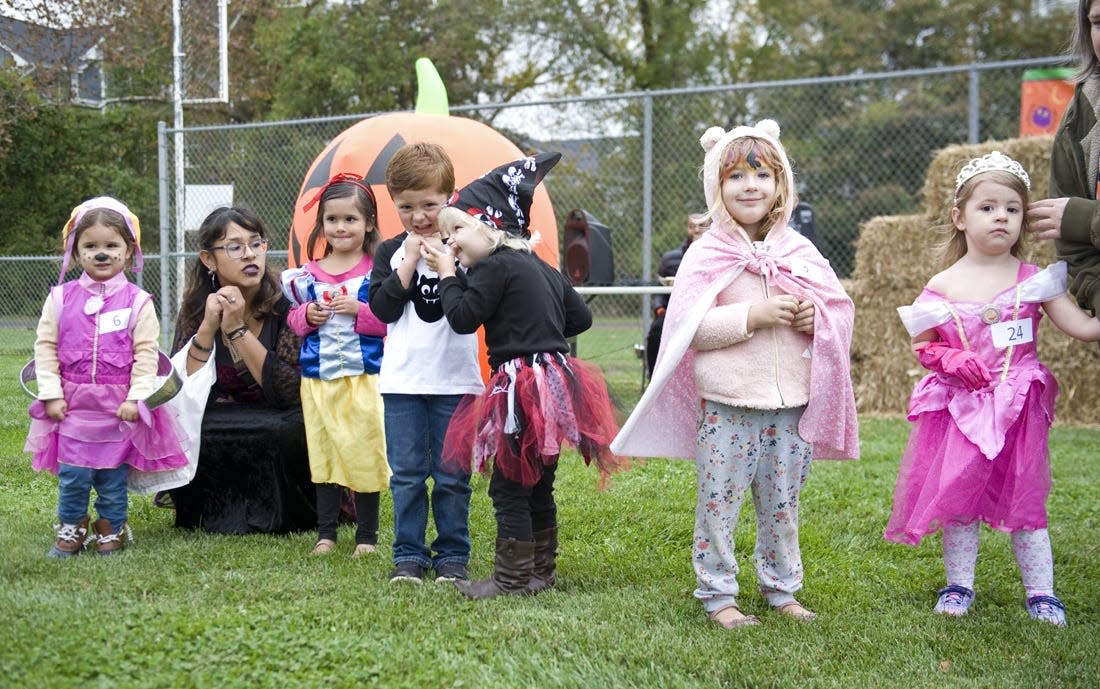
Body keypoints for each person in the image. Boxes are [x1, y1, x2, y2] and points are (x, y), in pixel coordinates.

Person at [611, 120, 860, 629]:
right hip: (727, 407)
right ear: (716, 189)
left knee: (784, 505)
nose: (751, 185)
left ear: (781, 185)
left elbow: (840, 308)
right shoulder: (706, 253)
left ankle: (782, 588)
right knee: (719, 505)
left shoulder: (800, 251)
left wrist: (819, 320)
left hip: (791, 406)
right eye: (736, 177)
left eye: (763, 174)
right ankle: (718, 593)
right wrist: (753, 317)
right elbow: (689, 329)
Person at [886, 151, 1100, 627]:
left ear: (1024, 219)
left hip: (1018, 405)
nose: (1001, 216)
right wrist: (947, 357)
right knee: (960, 496)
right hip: (962, 407)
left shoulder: (1035, 280)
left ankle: (1042, 593)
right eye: (987, 207)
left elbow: (1082, 328)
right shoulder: (942, 284)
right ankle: (959, 585)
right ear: (959, 218)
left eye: (1012, 208)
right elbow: (923, 343)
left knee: (1026, 497)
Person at [420, 152, 626, 599]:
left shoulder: (491, 267)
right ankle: (540, 572)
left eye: (457, 229)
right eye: (444, 235)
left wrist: (447, 274)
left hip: (519, 386)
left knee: (509, 486)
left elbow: (460, 318)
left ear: (491, 226)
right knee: (538, 481)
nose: (449, 241)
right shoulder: (542, 267)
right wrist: (543, 331)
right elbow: (581, 320)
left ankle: (512, 580)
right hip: (553, 383)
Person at [25, 197, 189, 557]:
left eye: (111, 245)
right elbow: (45, 348)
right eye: (91, 246)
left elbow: (146, 355)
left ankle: (110, 528)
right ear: (76, 250)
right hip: (72, 406)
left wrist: (136, 398)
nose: (101, 254)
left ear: (129, 252)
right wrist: (50, 393)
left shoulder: (138, 301)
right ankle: (71, 528)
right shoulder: (59, 298)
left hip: (117, 408)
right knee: (74, 476)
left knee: (111, 476)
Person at [368, 142, 484, 584]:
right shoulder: (390, 252)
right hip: (402, 383)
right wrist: (409, 263)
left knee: (453, 475)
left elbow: (470, 314)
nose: (419, 216)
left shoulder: (467, 247)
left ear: (449, 198)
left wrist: (449, 265)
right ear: (394, 204)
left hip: (455, 381)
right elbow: (382, 310)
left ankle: (453, 555)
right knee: (408, 476)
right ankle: (409, 555)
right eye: (406, 207)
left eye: (430, 205)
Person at [165, 207, 316, 535]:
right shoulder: (195, 307)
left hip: (280, 414)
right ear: (209, 259)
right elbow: (179, 388)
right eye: (235, 247)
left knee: (289, 429)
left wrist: (236, 330)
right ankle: (206, 513)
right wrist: (207, 327)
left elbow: (292, 392)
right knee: (183, 426)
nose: (250, 255)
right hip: (222, 415)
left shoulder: (287, 304)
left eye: (256, 244)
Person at [281, 174, 390, 557]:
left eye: (350, 219)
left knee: (364, 452)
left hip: (363, 379)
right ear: (321, 224)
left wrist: (361, 311)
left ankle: (367, 537)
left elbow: (388, 324)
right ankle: (326, 534)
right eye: (332, 219)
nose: (340, 227)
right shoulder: (306, 275)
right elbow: (292, 322)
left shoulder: (378, 272)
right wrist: (308, 315)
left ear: (369, 223)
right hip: (318, 381)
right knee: (324, 454)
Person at [1026, 0, 1100, 319]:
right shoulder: (1080, 116)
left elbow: (1075, 220)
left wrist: (1087, 220)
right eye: (1098, 23)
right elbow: (1076, 252)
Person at [646, 212, 709, 374]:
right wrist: (660, 309)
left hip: (708, 312)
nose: (696, 230)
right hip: (673, 312)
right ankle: (654, 379)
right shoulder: (671, 259)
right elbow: (658, 288)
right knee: (656, 330)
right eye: (692, 226)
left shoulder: (720, 255)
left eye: (701, 225)